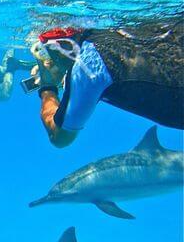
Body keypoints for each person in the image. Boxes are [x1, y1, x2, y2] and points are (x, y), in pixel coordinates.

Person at [30, 18, 184, 148]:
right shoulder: (120, 28)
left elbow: (60, 137)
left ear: (61, 46)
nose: (49, 58)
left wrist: (47, 87)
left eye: (47, 50)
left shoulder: (86, 67)